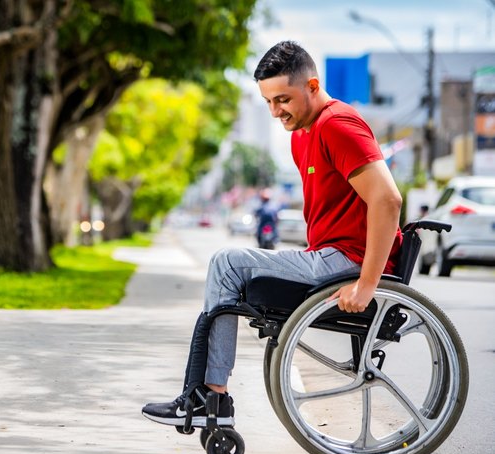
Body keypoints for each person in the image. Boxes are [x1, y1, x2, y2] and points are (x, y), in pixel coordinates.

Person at [142, 40, 403, 428]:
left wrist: (368, 283)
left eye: (283, 99)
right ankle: (207, 396)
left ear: (312, 86)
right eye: (267, 102)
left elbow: (388, 200)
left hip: (346, 259)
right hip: (327, 255)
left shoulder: (338, 124)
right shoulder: (302, 135)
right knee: (229, 270)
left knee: (226, 263)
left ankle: (210, 398)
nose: (275, 111)